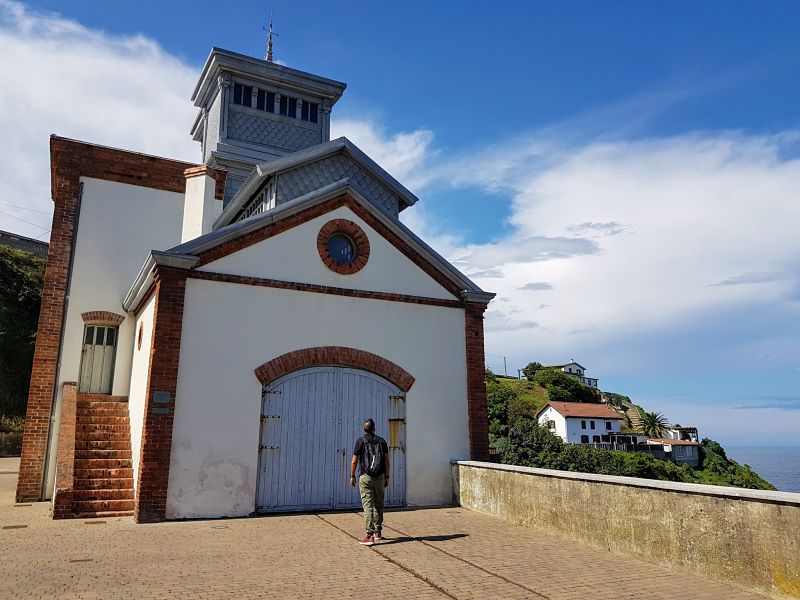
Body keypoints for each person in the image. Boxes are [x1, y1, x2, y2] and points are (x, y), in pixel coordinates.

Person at [350, 418, 390, 546]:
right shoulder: (382, 441)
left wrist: (352, 475)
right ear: (374, 428)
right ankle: (378, 532)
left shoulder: (360, 441)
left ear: (364, 429)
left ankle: (369, 535)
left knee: (368, 506)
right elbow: (386, 462)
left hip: (366, 477)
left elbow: (354, 461)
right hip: (379, 477)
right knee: (378, 504)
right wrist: (387, 477)